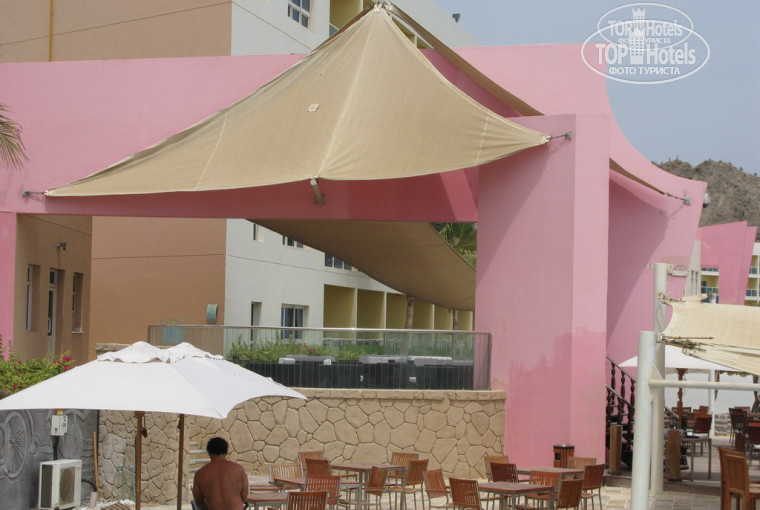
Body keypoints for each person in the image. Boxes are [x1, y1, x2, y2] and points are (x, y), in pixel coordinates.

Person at [192, 437, 249, 510]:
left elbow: (198, 499)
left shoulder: (200, 474)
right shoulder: (239, 469)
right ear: (226, 452)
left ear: (209, 452)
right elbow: (244, 494)